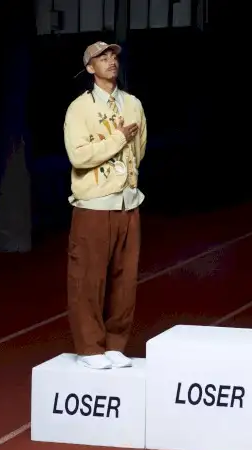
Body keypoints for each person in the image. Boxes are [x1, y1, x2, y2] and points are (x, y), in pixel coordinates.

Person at [63, 41, 147, 369]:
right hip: (94, 205)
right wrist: (117, 139)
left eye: (113, 57)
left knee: (125, 279)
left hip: (128, 201)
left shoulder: (133, 104)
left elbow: (139, 149)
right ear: (90, 68)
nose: (111, 61)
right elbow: (79, 156)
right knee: (88, 278)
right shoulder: (79, 109)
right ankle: (89, 348)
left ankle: (115, 344)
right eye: (102, 58)